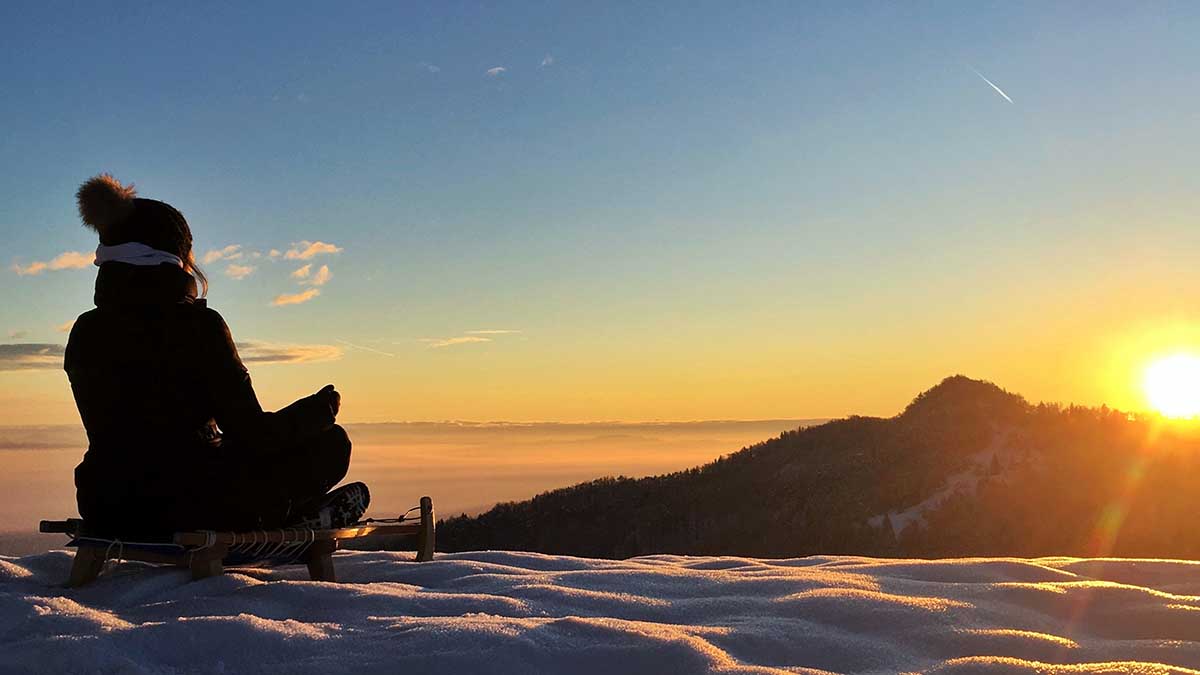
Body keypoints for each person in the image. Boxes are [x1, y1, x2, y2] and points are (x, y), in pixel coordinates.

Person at [64, 174, 369, 538]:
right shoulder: (198, 326)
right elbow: (251, 434)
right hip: (196, 505)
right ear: (175, 258)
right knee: (332, 443)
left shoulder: (85, 330)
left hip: (108, 506)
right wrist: (314, 414)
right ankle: (286, 518)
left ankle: (286, 511)